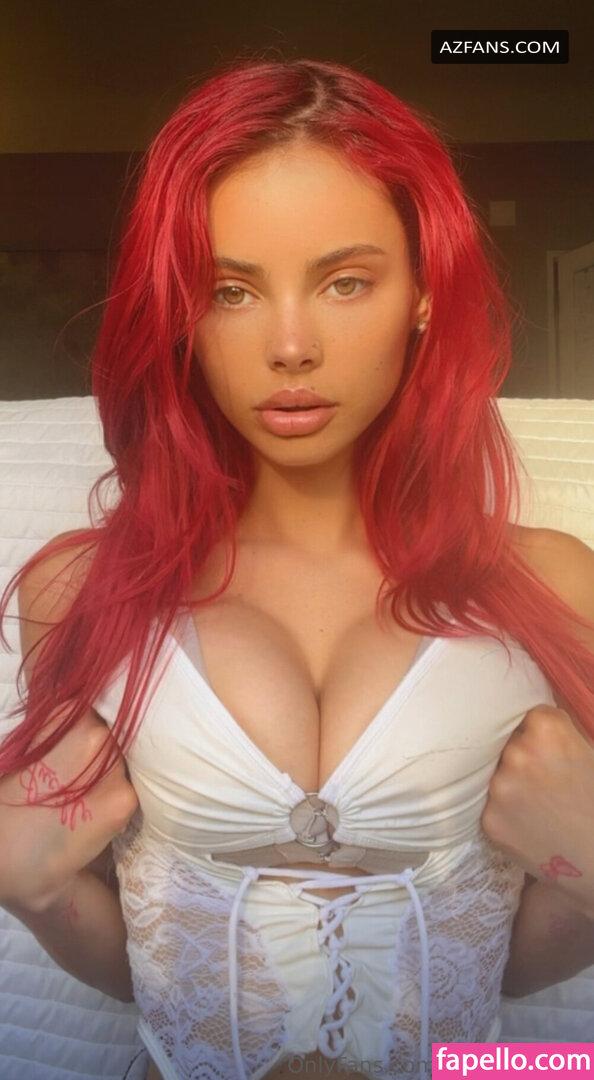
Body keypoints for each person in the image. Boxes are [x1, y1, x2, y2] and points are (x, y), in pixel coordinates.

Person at [1, 55, 594, 1080]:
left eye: (345, 281)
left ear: (423, 294)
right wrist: (37, 895)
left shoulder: (554, 587)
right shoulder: (82, 592)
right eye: (230, 290)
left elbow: (510, 972)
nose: (289, 346)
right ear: (182, 314)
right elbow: (148, 974)